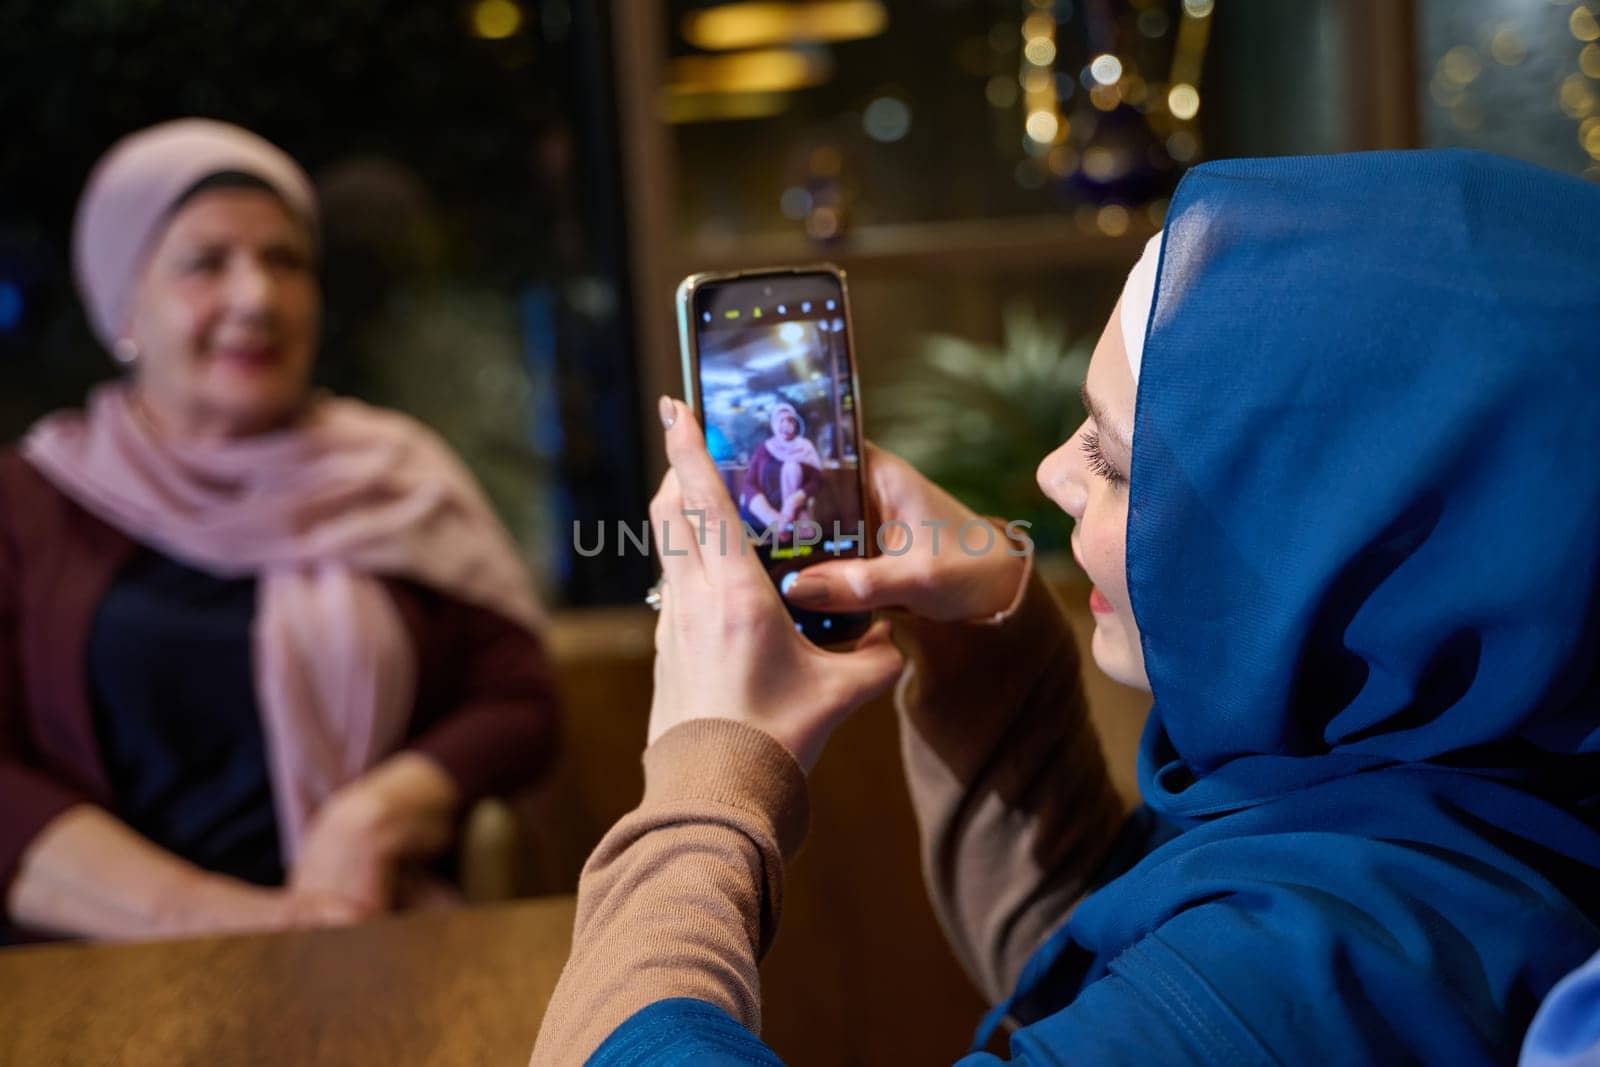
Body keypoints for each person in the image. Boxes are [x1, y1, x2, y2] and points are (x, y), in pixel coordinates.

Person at [531, 149, 1600, 1064]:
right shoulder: (1463, 781)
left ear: (1334, 541)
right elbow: (1112, 972)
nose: (1049, 471)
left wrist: (703, 778)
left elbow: (1196, 1007)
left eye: (1119, 462)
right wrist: (983, 638)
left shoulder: (1316, 976)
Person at [0, 119, 560, 941]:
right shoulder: (30, 499)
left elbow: (518, 700)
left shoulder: (398, 476)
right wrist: (212, 915)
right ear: (122, 305)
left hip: (365, 937)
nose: (256, 297)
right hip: (101, 963)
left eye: (285, 261)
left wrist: (373, 815)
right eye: (205, 262)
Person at [740, 401, 823, 541]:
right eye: (781, 420)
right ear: (774, 425)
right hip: (762, 521)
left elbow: (816, 481)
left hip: (794, 518)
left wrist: (793, 502)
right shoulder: (764, 449)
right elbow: (749, 483)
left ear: (795, 424)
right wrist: (769, 515)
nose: (786, 424)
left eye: (790, 419)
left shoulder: (805, 447)